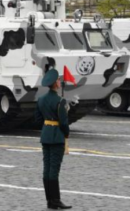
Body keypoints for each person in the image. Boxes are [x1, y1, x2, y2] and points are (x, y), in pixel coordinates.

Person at [34, 69, 72, 209]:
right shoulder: (60, 101)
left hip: (46, 136)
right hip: (57, 137)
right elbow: (63, 122)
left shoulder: (41, 99)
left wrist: (47, 127)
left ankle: (49, 200)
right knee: (54, 169)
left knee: (47, 168)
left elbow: (37, 119)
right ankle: (55, 200)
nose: (59, 81)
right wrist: (66, 133)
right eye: (58, 80)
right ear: (55, 84)